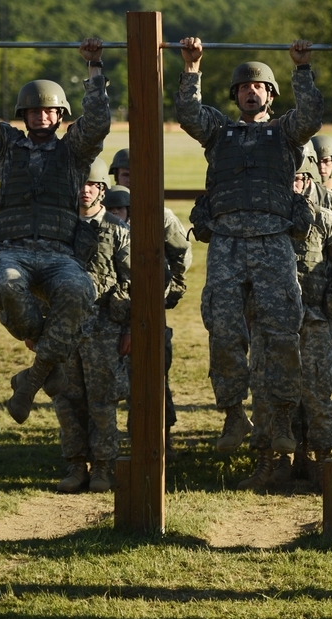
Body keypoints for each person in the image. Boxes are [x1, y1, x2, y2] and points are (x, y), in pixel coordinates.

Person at [175, 37, 322, 458]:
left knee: (280, 333)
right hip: (226, 243)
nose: (251, 91)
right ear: (236, 95)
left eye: (259, 87)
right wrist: (192, 68)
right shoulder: (219, 132)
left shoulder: (286, 131)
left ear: (271, 95)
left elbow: (311, 115)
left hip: (273, 241)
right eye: (244, 87)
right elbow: (187, 113)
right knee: (223, 331)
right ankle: (233, 413)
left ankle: (279, 419)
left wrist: (302, 68)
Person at [0, 36, 108, 424]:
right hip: (13, 248)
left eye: (50, 111)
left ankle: (33, 377)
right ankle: (47, 362)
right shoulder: (7, 145)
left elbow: (98, 122)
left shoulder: (74, 150)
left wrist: (94, 68)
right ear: (24, 115)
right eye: (34, 112)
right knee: (3, 285)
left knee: (79, 291)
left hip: (60, 253)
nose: (41, 117)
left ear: (60, 116)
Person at [238, 147, 332, 490]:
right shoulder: (264, 215)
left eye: (299, 178)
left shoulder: (325, 218)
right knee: (266, 392)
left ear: (309, 179)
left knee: (317, 393)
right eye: (287, 178)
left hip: (314, 320)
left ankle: (320, 462)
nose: (293, 184)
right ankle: (271, 463)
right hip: (271, 320)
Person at [51, 159, 130, 494]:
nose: (85, 191)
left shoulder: (118, 229)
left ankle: (102, 467)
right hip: (65, 329)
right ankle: (76, 465)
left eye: (92, 185)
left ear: (102, 189)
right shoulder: (58, 228)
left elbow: (131, 279)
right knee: (67, 400)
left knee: (102, 400)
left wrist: (126, 326)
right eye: (80, 185)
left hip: (104, 329)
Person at [108, 148, 193, 458]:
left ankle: (160, 438)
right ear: (116, 177)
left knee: (154, 374)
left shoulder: (162, 215)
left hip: (148, 309)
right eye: (127, 175)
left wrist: (171, 292)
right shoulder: (106, 212)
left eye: (138, 176)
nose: (132, 182)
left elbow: (181, 255)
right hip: (109, 310)